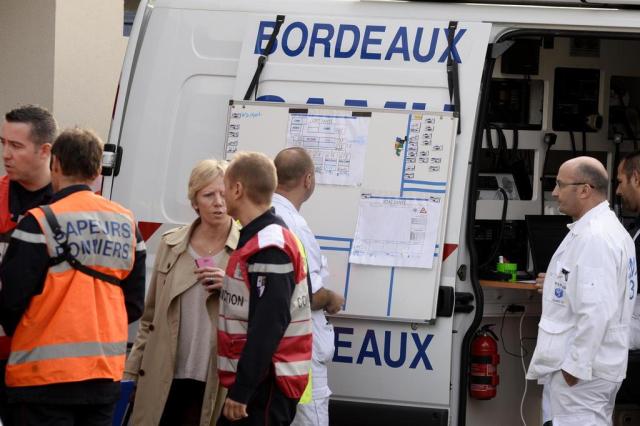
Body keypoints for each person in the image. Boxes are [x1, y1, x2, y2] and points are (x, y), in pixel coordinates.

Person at [0, 128, 146, 426]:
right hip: (103, 374)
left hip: (41, 379)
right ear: (96, 170)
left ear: (55, 164)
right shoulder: (127, 223)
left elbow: (10, 302)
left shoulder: (40, 221)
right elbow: (134, 304)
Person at [125, 159, 240, 426]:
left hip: (216, 377)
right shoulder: (172, 244)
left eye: (224, 194)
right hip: (165, 373)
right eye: (209, 195)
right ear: (194, 201)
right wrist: (131, 371)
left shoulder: (246, 248)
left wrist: (233, 288)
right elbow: (149, 318)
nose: (218, 203)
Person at [527, 156, 636, 426]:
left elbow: (597, 309)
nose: (554, 193)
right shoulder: (603, 231)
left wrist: (574, 367)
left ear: (585, 190)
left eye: (560, 185)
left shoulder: (596, 237)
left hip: (582, 374)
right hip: (590, 369)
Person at [217, 151, 312, 426]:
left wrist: (242, 391)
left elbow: (267, 325)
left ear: (237, 189)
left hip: (267, 386)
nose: (222, 194)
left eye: (224, 186)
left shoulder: (269, 246)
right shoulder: (259, 238)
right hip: (262, 383)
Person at [271, 147, 344, 426]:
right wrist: (332, 298)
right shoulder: (296, 227)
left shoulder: (264, 216)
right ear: (308, 179)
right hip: (301, 349)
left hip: (274, 345)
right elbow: (309, 295)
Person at [0, 105, 57, 424]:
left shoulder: (70, 207)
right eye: (2, 143)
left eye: (16, 146)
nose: (6, 154)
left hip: (46, 362)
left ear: (45, 150)